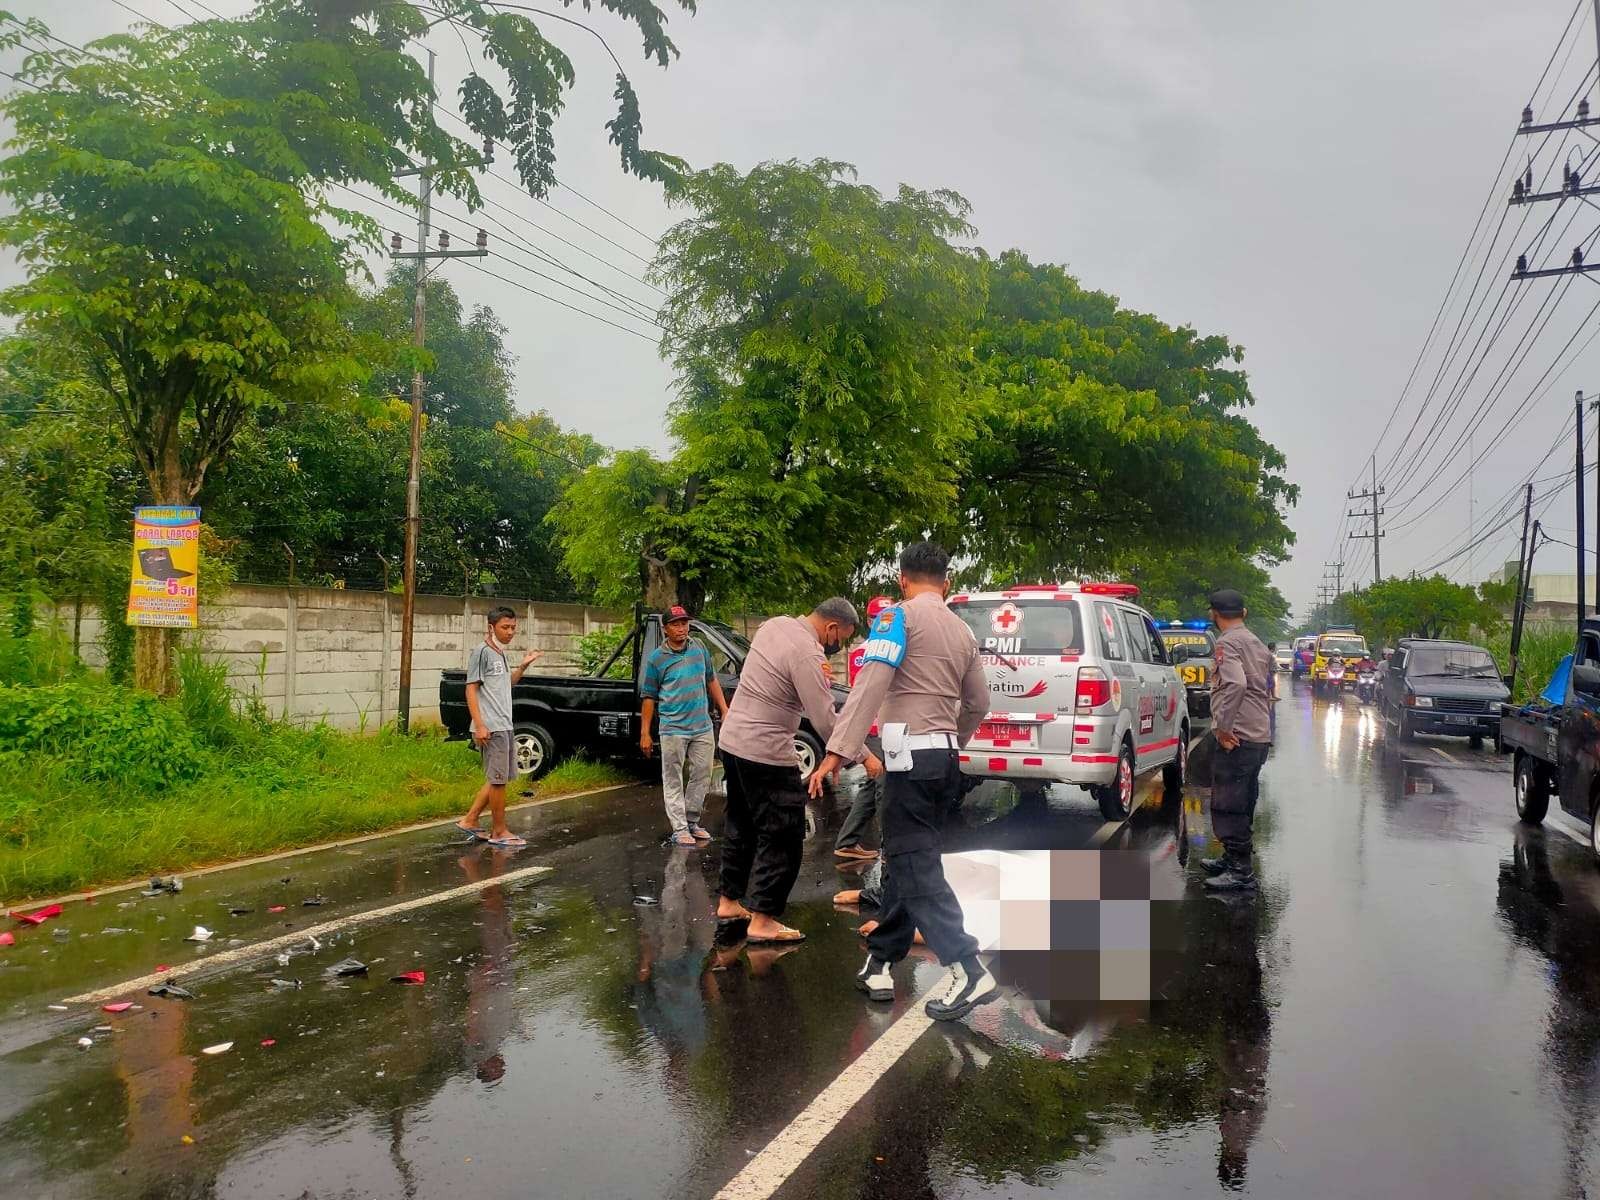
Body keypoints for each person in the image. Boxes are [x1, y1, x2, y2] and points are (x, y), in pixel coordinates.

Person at [807, 541, 994, 1021]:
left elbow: (871, 683)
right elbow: (978, 704)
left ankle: (967, 967)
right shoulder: (962, 631)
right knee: (906, 858)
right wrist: (950, 738)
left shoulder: (895, 618)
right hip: (945, 759)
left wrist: (837, 751)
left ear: (903, 580)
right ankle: (880, 961)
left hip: (908, 760)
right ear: (946, 582)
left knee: (914, 863)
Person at [716, 597, 863, 944]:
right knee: (783, 833)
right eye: (842, 638)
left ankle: (729, 901)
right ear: (831, 628)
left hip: (733, 743)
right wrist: (864, 756)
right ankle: (763, 919)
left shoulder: (774, 625)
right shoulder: (808, 653)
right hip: (765, 752)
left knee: (741, 823)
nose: (838, 647)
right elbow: (825, 718)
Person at [1201, 589, 1275, 892]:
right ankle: (1233, 858)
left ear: (1213, 614)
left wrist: (1223, 728)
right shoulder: (1254, 640)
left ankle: (1241, 871)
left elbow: (1235, 683)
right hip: (1258, 732)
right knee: (1243, 799)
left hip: (1239, 736)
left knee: (1228, 802)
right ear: (1243, 613)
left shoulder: (1227, 642)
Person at [640, 605, 731, 847]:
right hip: (672, 728)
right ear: (665, 628)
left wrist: (724, 708)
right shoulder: (656, 659)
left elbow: (711, 679)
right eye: (676, 624)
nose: (681, 628)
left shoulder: (699, 648)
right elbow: (649, 696)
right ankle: (679, 827)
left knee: (703, 771)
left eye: (684, 623)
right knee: (673, 778)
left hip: (701, 725)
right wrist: (645, 733)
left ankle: (691, 821)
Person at [457, 606, 542, 848]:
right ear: (491, 627)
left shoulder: (500, 654)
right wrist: (480, 725)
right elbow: (470, 688)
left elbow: (506, 684)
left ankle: (470, 820)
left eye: (513, 627)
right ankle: (499, 831)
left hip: (504, 724)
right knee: (498, 780)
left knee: (499, 777)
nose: (510, 632)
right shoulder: (482, 652)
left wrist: (523, 666)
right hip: (490, 726)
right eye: (505, 627)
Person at [834, 595, 894, 861]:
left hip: (884, 726)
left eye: (889, 616)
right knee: (885, 788)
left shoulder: (874, 650)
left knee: (872, 787)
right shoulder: (866, 652)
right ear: (870, 621)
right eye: (879, 617)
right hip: (875, 728)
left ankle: (847, 841)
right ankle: (889, 849)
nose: (884, 621)